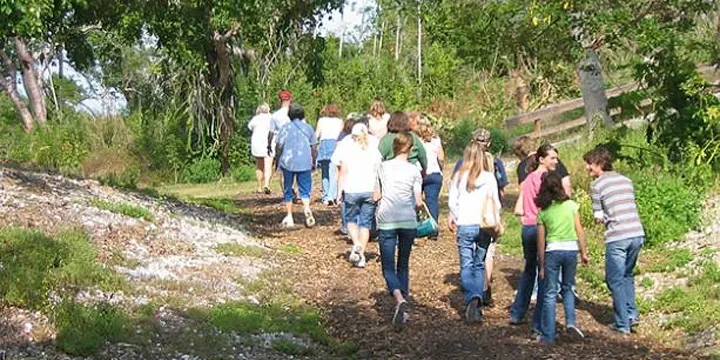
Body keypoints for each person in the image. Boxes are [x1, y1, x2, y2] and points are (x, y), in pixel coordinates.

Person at [584, 147, 645, 335]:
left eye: (590, 164)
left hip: (617, 235)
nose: (588, 168)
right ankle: (632, 314)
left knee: (614, 279)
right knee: (627, 274)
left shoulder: (597, 186)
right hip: (636, 233)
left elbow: (598, 216)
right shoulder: (626, 180)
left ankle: (622, 323)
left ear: (600, 164)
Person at [451, 128, 508, 307]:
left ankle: (473, 296)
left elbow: (453, 201)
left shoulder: (460, 176)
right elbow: (496, 202)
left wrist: (455, 216)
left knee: (466, 265)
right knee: (479, 263)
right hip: (484, 225)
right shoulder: (489, 177)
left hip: (465, 223)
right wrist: (497, 219)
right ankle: (478, 294)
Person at [509, 144, 559, 334]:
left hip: (527, 227)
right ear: (541, 159)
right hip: (541, 229)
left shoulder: (528, 178)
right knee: (544, 274)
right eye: (552, 158)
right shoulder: (547, 180)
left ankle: (517, 312)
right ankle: (539, 323)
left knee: (529, 270)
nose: (556, 161)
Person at [376, 131, 423, 330]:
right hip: (408, 220)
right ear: (410, 148)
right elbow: (418, 201)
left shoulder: (383, 167)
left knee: (388, 266)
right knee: (403, 263)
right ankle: (403, 305)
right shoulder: (414, 170)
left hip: (387, 219)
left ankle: (397, 297)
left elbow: (376, 194)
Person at [535, 172, 590, 343]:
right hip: (570, 250)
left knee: (550, 293)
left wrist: (542, 265)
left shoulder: (543, 213)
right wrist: (583, 252)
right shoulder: (571, 205)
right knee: (568, 287)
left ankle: (548, 334)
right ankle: (571, 323)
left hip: (552, 251)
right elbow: (579, 230)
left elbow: (541, 241)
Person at [332, 123, 382, 268]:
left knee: (351, 221)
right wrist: (378, 189)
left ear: (353, 135)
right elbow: (379, 169)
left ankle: (357, 243)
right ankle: (362, 255)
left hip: (351, 189)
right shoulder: (374, 147)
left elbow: (342, 171)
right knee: (366, 223)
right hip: (369, 189)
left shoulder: (348, 147)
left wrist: (339, 191)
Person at [274, 104, 317, 228]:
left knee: (288, 188)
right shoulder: (308, 128)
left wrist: (277, 160)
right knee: (305, 189)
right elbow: (314, 147)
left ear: (290, 115)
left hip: (288, 162)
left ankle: (289, 216)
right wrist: (313, 161)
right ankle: (307, 208)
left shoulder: (285, 128)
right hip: (305, 162)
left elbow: (279, 146)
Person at [416, 117, 444, 240]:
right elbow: (441, 158)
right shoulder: (436, 140)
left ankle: (417, 227)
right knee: (432, 201)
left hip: (419, 173)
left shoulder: (415, 141)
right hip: (434, 173)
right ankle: (433, 230)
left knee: (415, 201)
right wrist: (440, 168)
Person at [315, 104, 344, 205]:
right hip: (335, 144)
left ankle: (326, 196)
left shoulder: (321, 120)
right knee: (334, 172)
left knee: (325, 172)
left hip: (324, 144)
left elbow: (317, 134)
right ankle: (332, 195)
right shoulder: (339, 121)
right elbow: (341, 135)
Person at [269, 90, 294, 196]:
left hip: (280, 144)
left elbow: (271, 132)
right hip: (294, 143)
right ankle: (292, 188)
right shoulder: (295, 113)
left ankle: (286, 192)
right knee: (294, 167)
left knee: (282, 169)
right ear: (290, 99)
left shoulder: (275, 115)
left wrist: (268, 145)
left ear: (280, 100)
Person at [247, 103, 273, 194]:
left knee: (259, 166)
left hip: (257, 144)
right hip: (268, 144)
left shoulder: (255, 118)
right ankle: (266, 184)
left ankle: (259, 186)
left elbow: (250, 127)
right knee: (268, 165)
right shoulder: (271, 118)